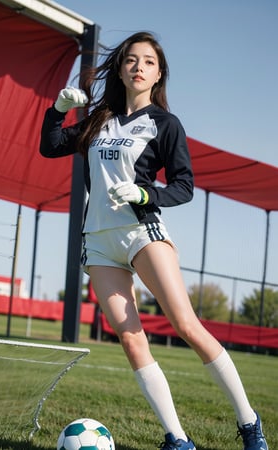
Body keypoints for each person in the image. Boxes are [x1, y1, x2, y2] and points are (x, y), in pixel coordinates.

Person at [40, 31, 268, 450]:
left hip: (142, 231)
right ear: (121, 69)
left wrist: (146, 194)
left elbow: (184, 186)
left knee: (186, 325)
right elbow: (50, 146)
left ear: (159, 74)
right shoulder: (97, 119)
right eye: (131, 59)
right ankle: (178, 439)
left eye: (148, 61)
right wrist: (57, 111)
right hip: (99, 241)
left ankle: (250, 425)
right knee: (130, 338)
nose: (138, 66)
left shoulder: (166, 124)